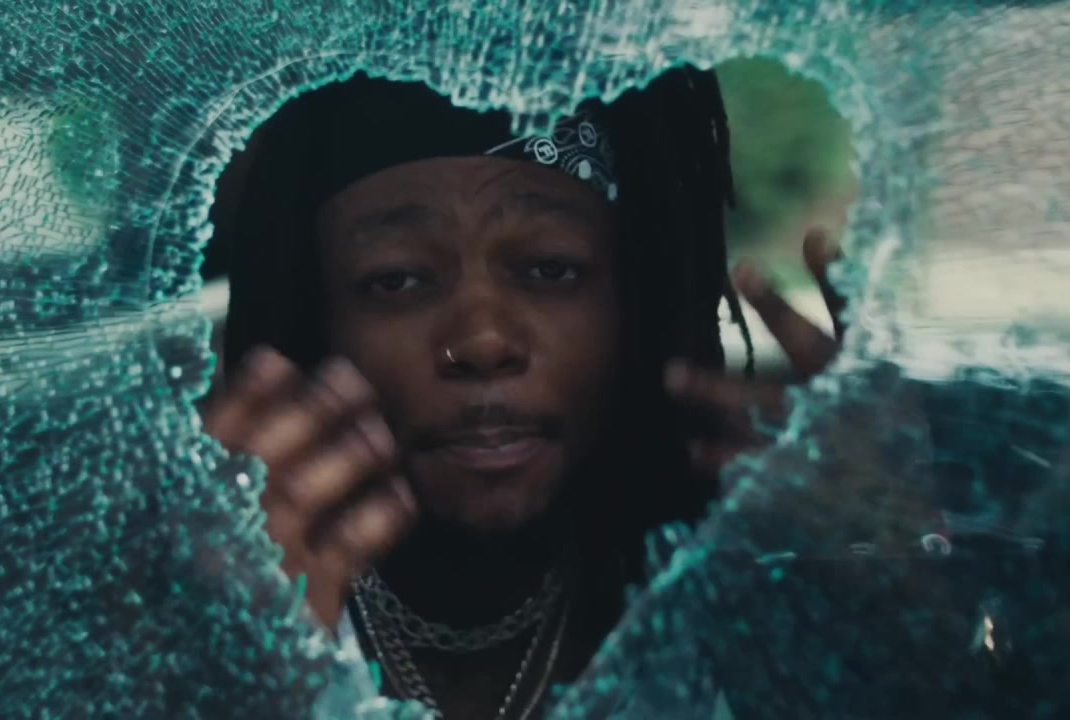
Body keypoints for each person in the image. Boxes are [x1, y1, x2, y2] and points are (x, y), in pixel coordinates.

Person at [202, 66, 845, 719]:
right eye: (397, 280)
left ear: (631, 306)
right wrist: (243, 670)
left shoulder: (743, 606)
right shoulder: (214, 612)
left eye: (549, 269)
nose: (482, 342)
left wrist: (878, 583)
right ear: (319, 322)